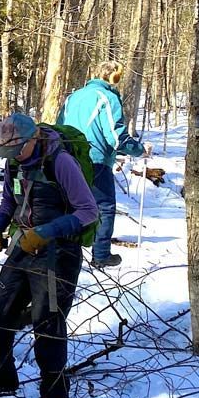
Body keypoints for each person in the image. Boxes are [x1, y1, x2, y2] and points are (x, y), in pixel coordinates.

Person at [0, 114, 99, 398]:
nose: (13, 157)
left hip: (59, 252)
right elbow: (9, 202)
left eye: (17, 149)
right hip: (23, 245)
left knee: (47, 322)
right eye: (8, 153)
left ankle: (54, 397)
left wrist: (46, 232)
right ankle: (0, 381)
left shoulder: (60, 162)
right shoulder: (14, 163)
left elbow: (88, 211)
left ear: (33, 139)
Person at [59, 60, 150, 268]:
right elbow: (116, 137)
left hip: (67, 158)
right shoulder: (107, 97)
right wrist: (138, 149)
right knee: (104, 207)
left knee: (70, 205)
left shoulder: (74, 96)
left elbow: (59, 126)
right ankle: (100, 255)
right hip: (94, 160)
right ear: (113, 77)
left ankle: (66, 252)